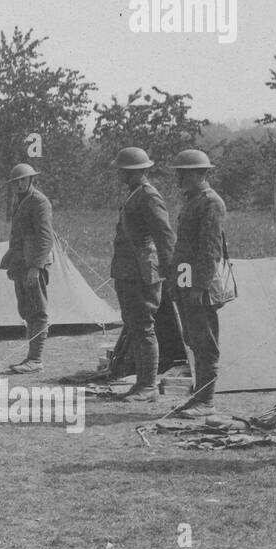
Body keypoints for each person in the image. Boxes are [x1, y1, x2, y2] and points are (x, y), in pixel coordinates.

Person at [110, 147, 176, 402]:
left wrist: (169, 271)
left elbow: (164, 236)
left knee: (144, 326)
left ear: (135, 171)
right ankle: (141, 382)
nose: (120, 175)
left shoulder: (148, 196)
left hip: (142, 271)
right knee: (135, 325)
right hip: (128, 270)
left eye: (123, 171)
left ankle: (148, 386)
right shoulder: (135, 195)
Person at [167, 150, 227, 416]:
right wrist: (178, 285)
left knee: (205, 343)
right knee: (193, 339)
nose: (179, 177)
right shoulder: (192, 201)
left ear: (199, 173)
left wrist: (198, 288)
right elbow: (184, 249)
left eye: (184, 172)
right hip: (186, 283)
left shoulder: (211, 203)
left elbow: (209, 250)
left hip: (199, 287)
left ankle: (207, 401)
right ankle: (199, 395)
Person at [0, 163, 54, 373]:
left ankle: (36, 359)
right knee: (27, 310)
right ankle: (31, 357)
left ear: (32, 180)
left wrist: (36, 267)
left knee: (38, 310)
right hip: (21, 262)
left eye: (23, 180)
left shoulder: (39, 202)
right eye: (15, 182)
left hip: (33, 263)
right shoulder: (20, 202)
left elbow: (45, 238)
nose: (19, 184)